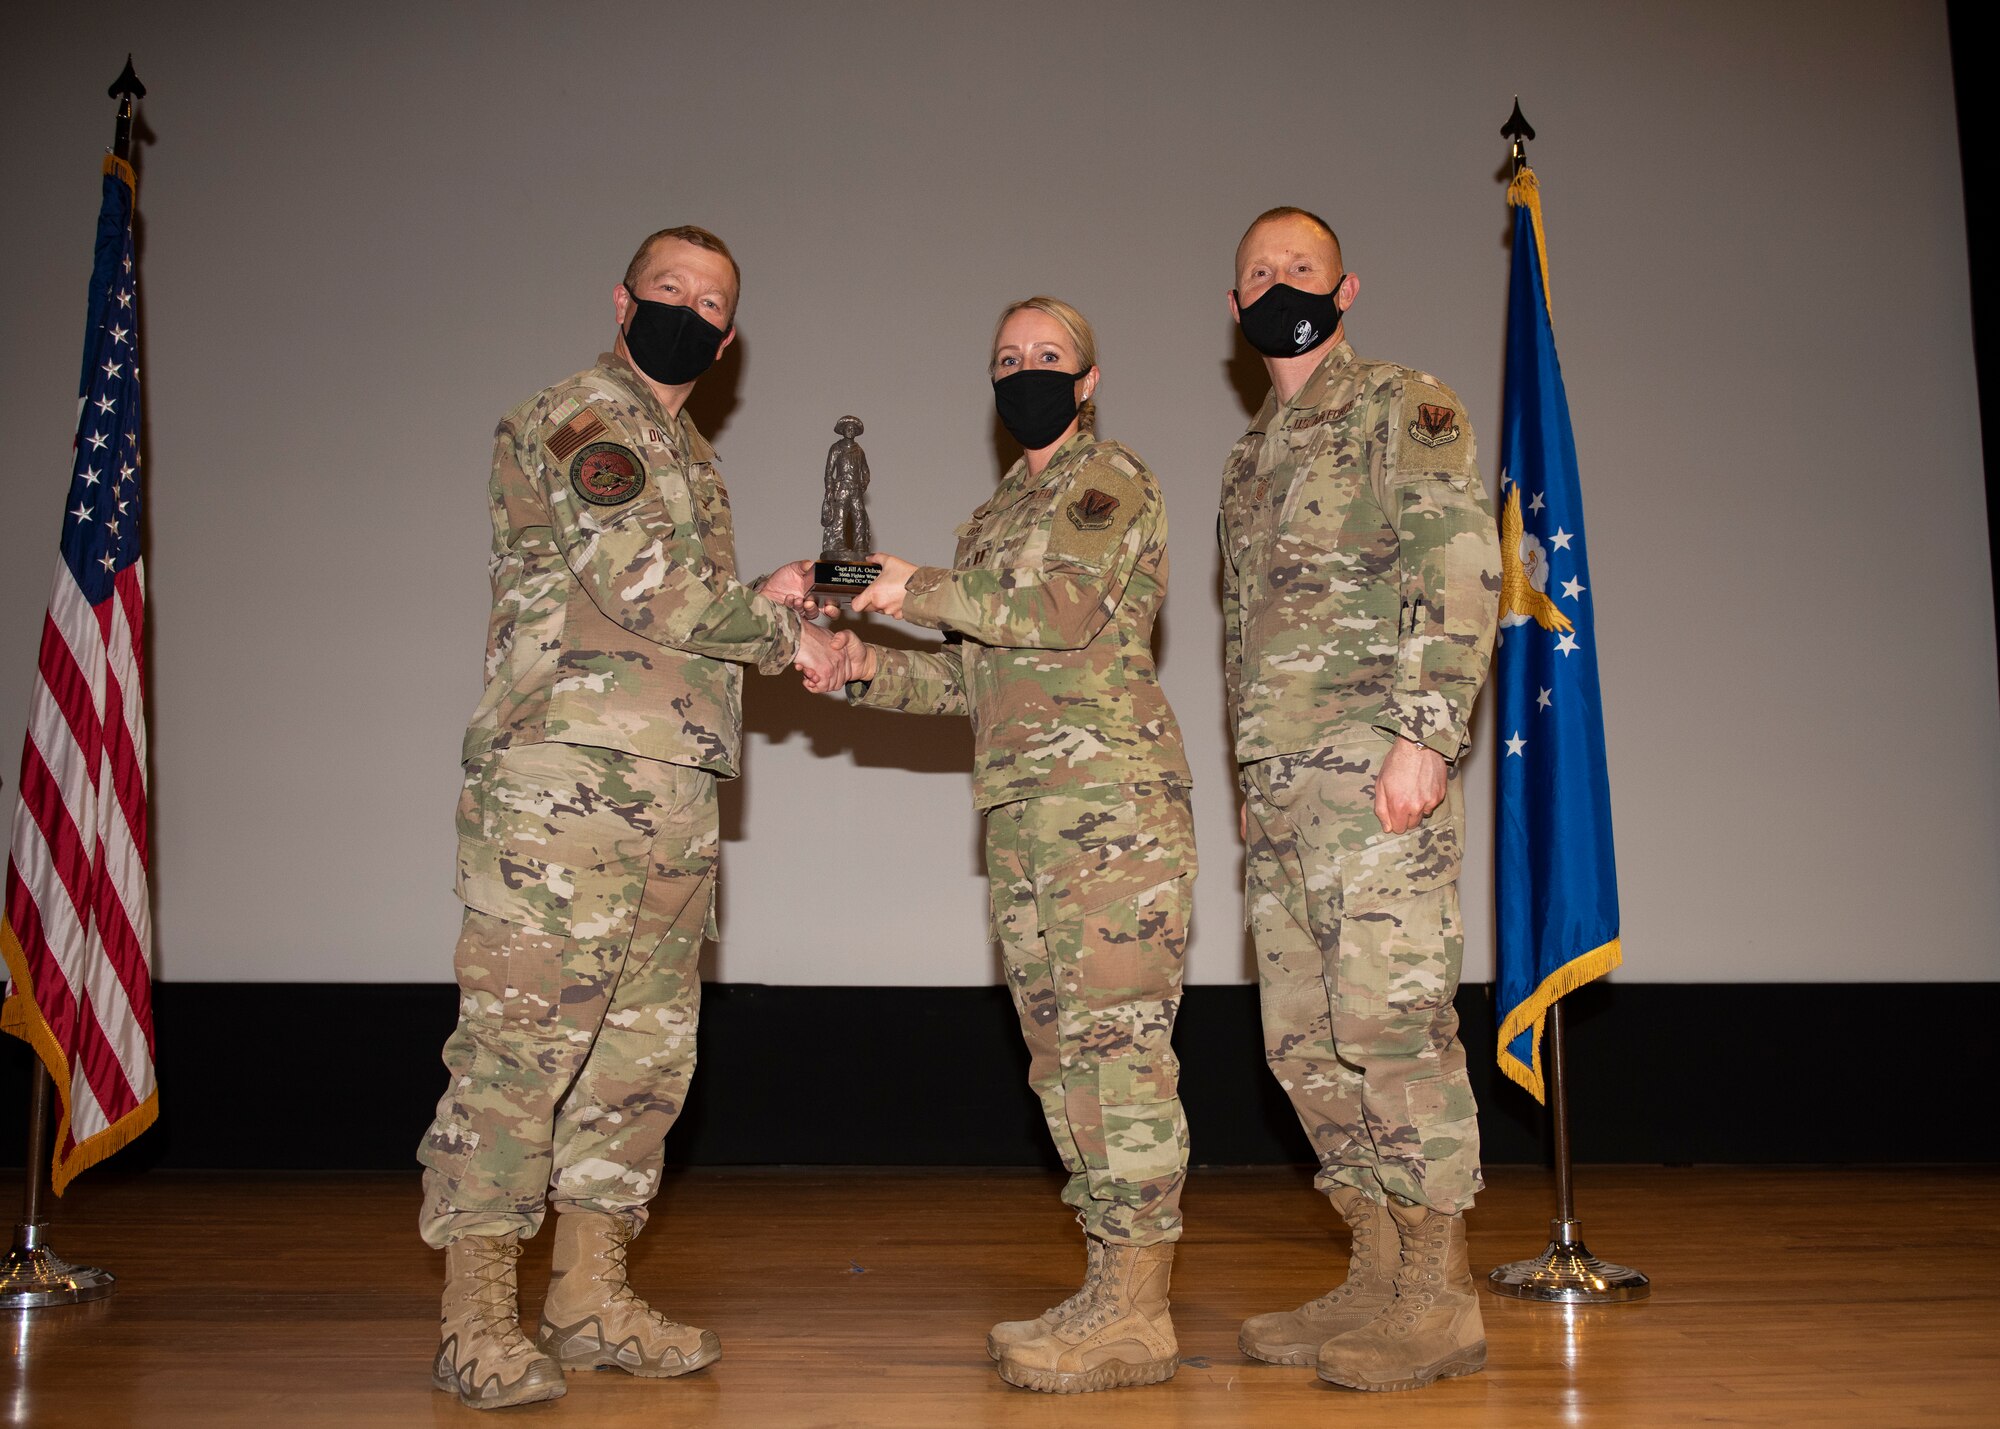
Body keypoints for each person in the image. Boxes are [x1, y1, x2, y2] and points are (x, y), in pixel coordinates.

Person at [417, 225, 843, 1411]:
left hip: (668, 795)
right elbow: (642, 585)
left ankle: (590, 1294)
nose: (690, 313)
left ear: (729, 335)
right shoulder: (584, 419)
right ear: (621, 300)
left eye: (713, 303)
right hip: (564, 790)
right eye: (670, 290)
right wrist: (788, 637)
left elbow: (669, 609)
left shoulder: (687, 453)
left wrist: (759, 598)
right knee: (519, 1055)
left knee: (639, 1060)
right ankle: (476, 1317)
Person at [772, 297, 1195, 1396]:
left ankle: (1141, 1310)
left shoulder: (1112, 484)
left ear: (1088, 380)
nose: (1026, 374)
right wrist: (860, 668)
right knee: (1061, 1060)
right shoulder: (993, 518)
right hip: (1024, 814)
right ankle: (1110, 1281)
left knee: (1118, 1055)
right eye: (1006, 360)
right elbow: (974, 675)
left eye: (1048, 357)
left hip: (1110, 809)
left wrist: (891, 582)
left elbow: (1053, 613)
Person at [1219, 207, 1502, 1392]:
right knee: (1301, 1040)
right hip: (1280, 796)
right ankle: (1375, 1267)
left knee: (1391, 1027)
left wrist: (1426, 734)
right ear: (1232, 310)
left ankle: (1436, 1293)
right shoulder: (1249, 458)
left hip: (1374, 768)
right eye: (1257, 273)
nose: (1278, 283)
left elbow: (1457, 561)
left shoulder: (1400, 405)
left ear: (1344, 290)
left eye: (1300, 267)